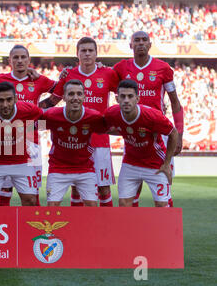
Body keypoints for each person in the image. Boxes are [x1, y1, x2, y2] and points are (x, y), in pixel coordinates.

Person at [113, 31, 184, 207]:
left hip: (159, 134)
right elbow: (105, 84)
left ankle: (167, 229)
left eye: (144, 40)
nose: (141, 43)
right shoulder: (121, 68)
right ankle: (134, 231)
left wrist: (180, 135)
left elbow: (175, 103)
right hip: (133, 135)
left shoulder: (163, 68)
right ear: (131, 45)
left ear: (150, 44)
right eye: (136, 40)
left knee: (163, 186)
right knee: (131, 192)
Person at [47, 37, 120, 207]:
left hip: (100, 140)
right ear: (77, 54)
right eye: (83, 51)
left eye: (90, 50)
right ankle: (77, 228)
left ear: (96, 54)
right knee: (76, 187)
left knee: (103, 188)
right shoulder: (68, 74)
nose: (87, 54)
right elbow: (52, 102)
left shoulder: (108, 73)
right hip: (75, 140)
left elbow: (124, 97)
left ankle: (104, 228)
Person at [0, 44, 57, 206]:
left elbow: (61, 91)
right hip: (4, 142)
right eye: (15, 57)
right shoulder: (0, 79)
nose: (20, 60)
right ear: (9, 60)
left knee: (32, 193)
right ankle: (5, 227)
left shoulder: (39, 80)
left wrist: (41, 109)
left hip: (32, 141)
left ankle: (32, 228)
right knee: (4, 192)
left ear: (29, 60)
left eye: (23, 57)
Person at [104, 79, 179, 207]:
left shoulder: (152, 116)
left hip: (155, 163)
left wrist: (167, 164)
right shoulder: (111, 113)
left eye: (130, 96)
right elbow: (105, 128)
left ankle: (168, 226)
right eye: (123, 96)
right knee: (123, 204)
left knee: (162, 205)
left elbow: (173, 133)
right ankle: (130, 228)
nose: (126, 100)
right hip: (130, 163)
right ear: (117, 99)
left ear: (137, 98)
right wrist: (124, 131)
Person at [0, 81, 42, 206]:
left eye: (9, 99)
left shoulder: (29, 110)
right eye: (1, 100)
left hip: (21, 162)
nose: (5, 104)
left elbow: (48, 117)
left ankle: (26, 225)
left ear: (16, 99)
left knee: (31, 200)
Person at [42, 79, 107, 206]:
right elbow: (31, 126)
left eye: (79, 94)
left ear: (84, 96)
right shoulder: (51, 116)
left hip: (85, 169)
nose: (75, 98)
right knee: (51, 209)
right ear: (64, 97)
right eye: (71, 94)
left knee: (92, 208)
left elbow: (115, 129)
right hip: (58, 168)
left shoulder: (93, 117)